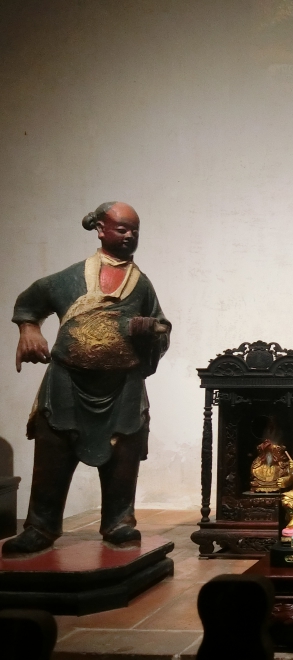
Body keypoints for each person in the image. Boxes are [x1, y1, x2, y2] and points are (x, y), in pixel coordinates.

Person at [5, 202, 170, 555]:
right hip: (68, 380)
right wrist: (29, 330)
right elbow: (29, 302)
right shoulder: (70, 278)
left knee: (124, 449)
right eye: (122, 229)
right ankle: (41, 525)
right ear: (100, 229)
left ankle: (118, 521)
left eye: (134, 231)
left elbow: (163, 325)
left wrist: (151, 331)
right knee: (53, 446)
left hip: (122, 386)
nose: (129, 236)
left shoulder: (141, 285)